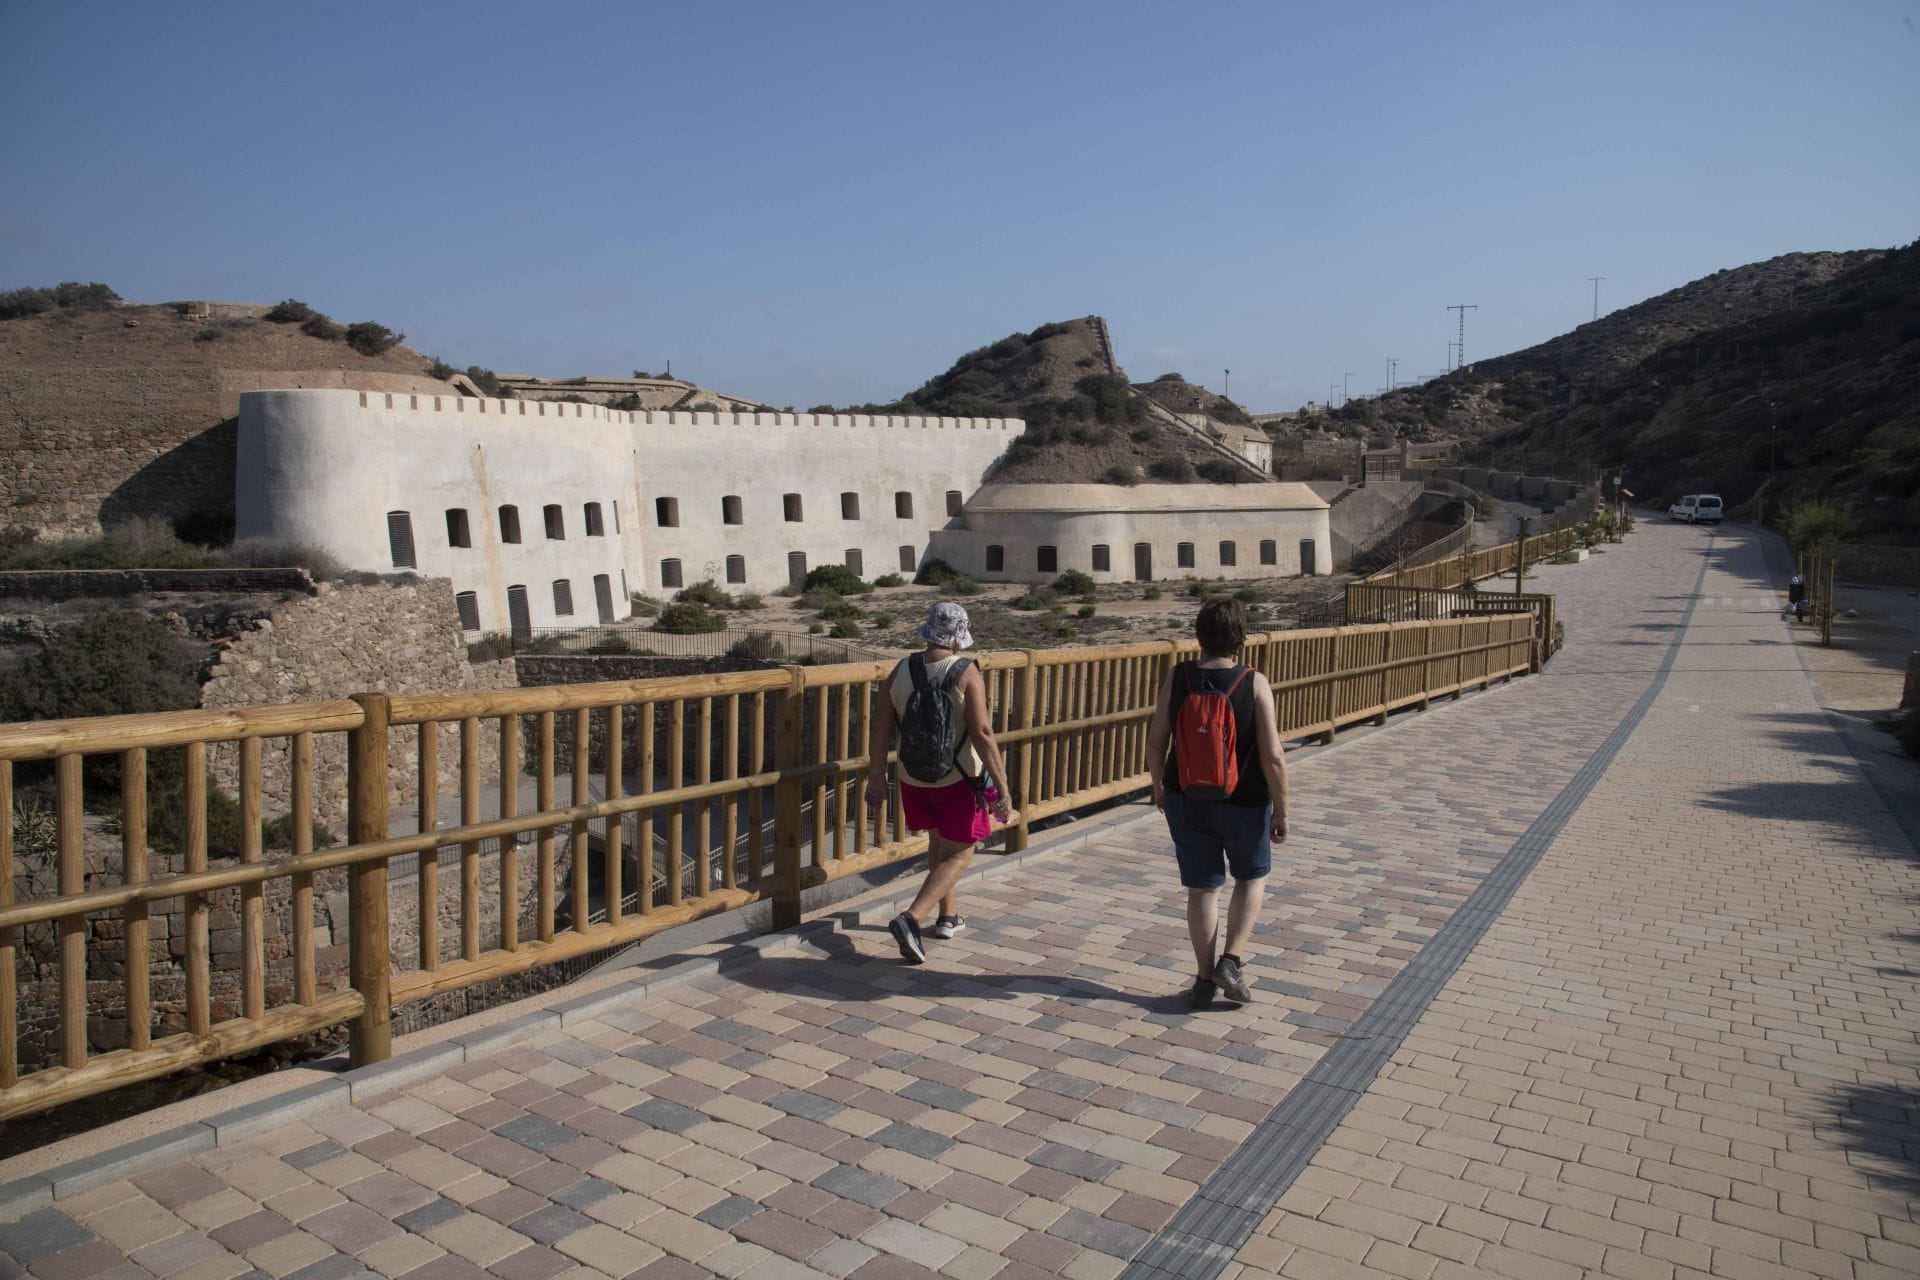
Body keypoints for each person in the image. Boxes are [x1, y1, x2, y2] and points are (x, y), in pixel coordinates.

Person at [1145, 596, 1290, 1010]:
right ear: (1240, 637)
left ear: (1199, 635)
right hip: (1245, 801)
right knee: (1250, 877)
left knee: (1202, 890)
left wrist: (1158, 785)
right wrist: (1281, 808)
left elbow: (1157, 740)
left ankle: (1204, 979)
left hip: (1186, 798)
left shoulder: (1179, 677)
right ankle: (1232, 960)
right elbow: (1273, 755)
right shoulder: (1253, 681)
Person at [865, 602, 1013, 963]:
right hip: (958, 779)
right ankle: (911, 919)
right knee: (962, 851)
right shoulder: (966, 672)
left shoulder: (901, 669)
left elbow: (882, 726)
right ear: (959, 639)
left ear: (928, 631)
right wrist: (1002, 786)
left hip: (913, 778)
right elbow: (981, 732)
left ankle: (947, 917)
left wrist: (875, 776)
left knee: (938, 843)